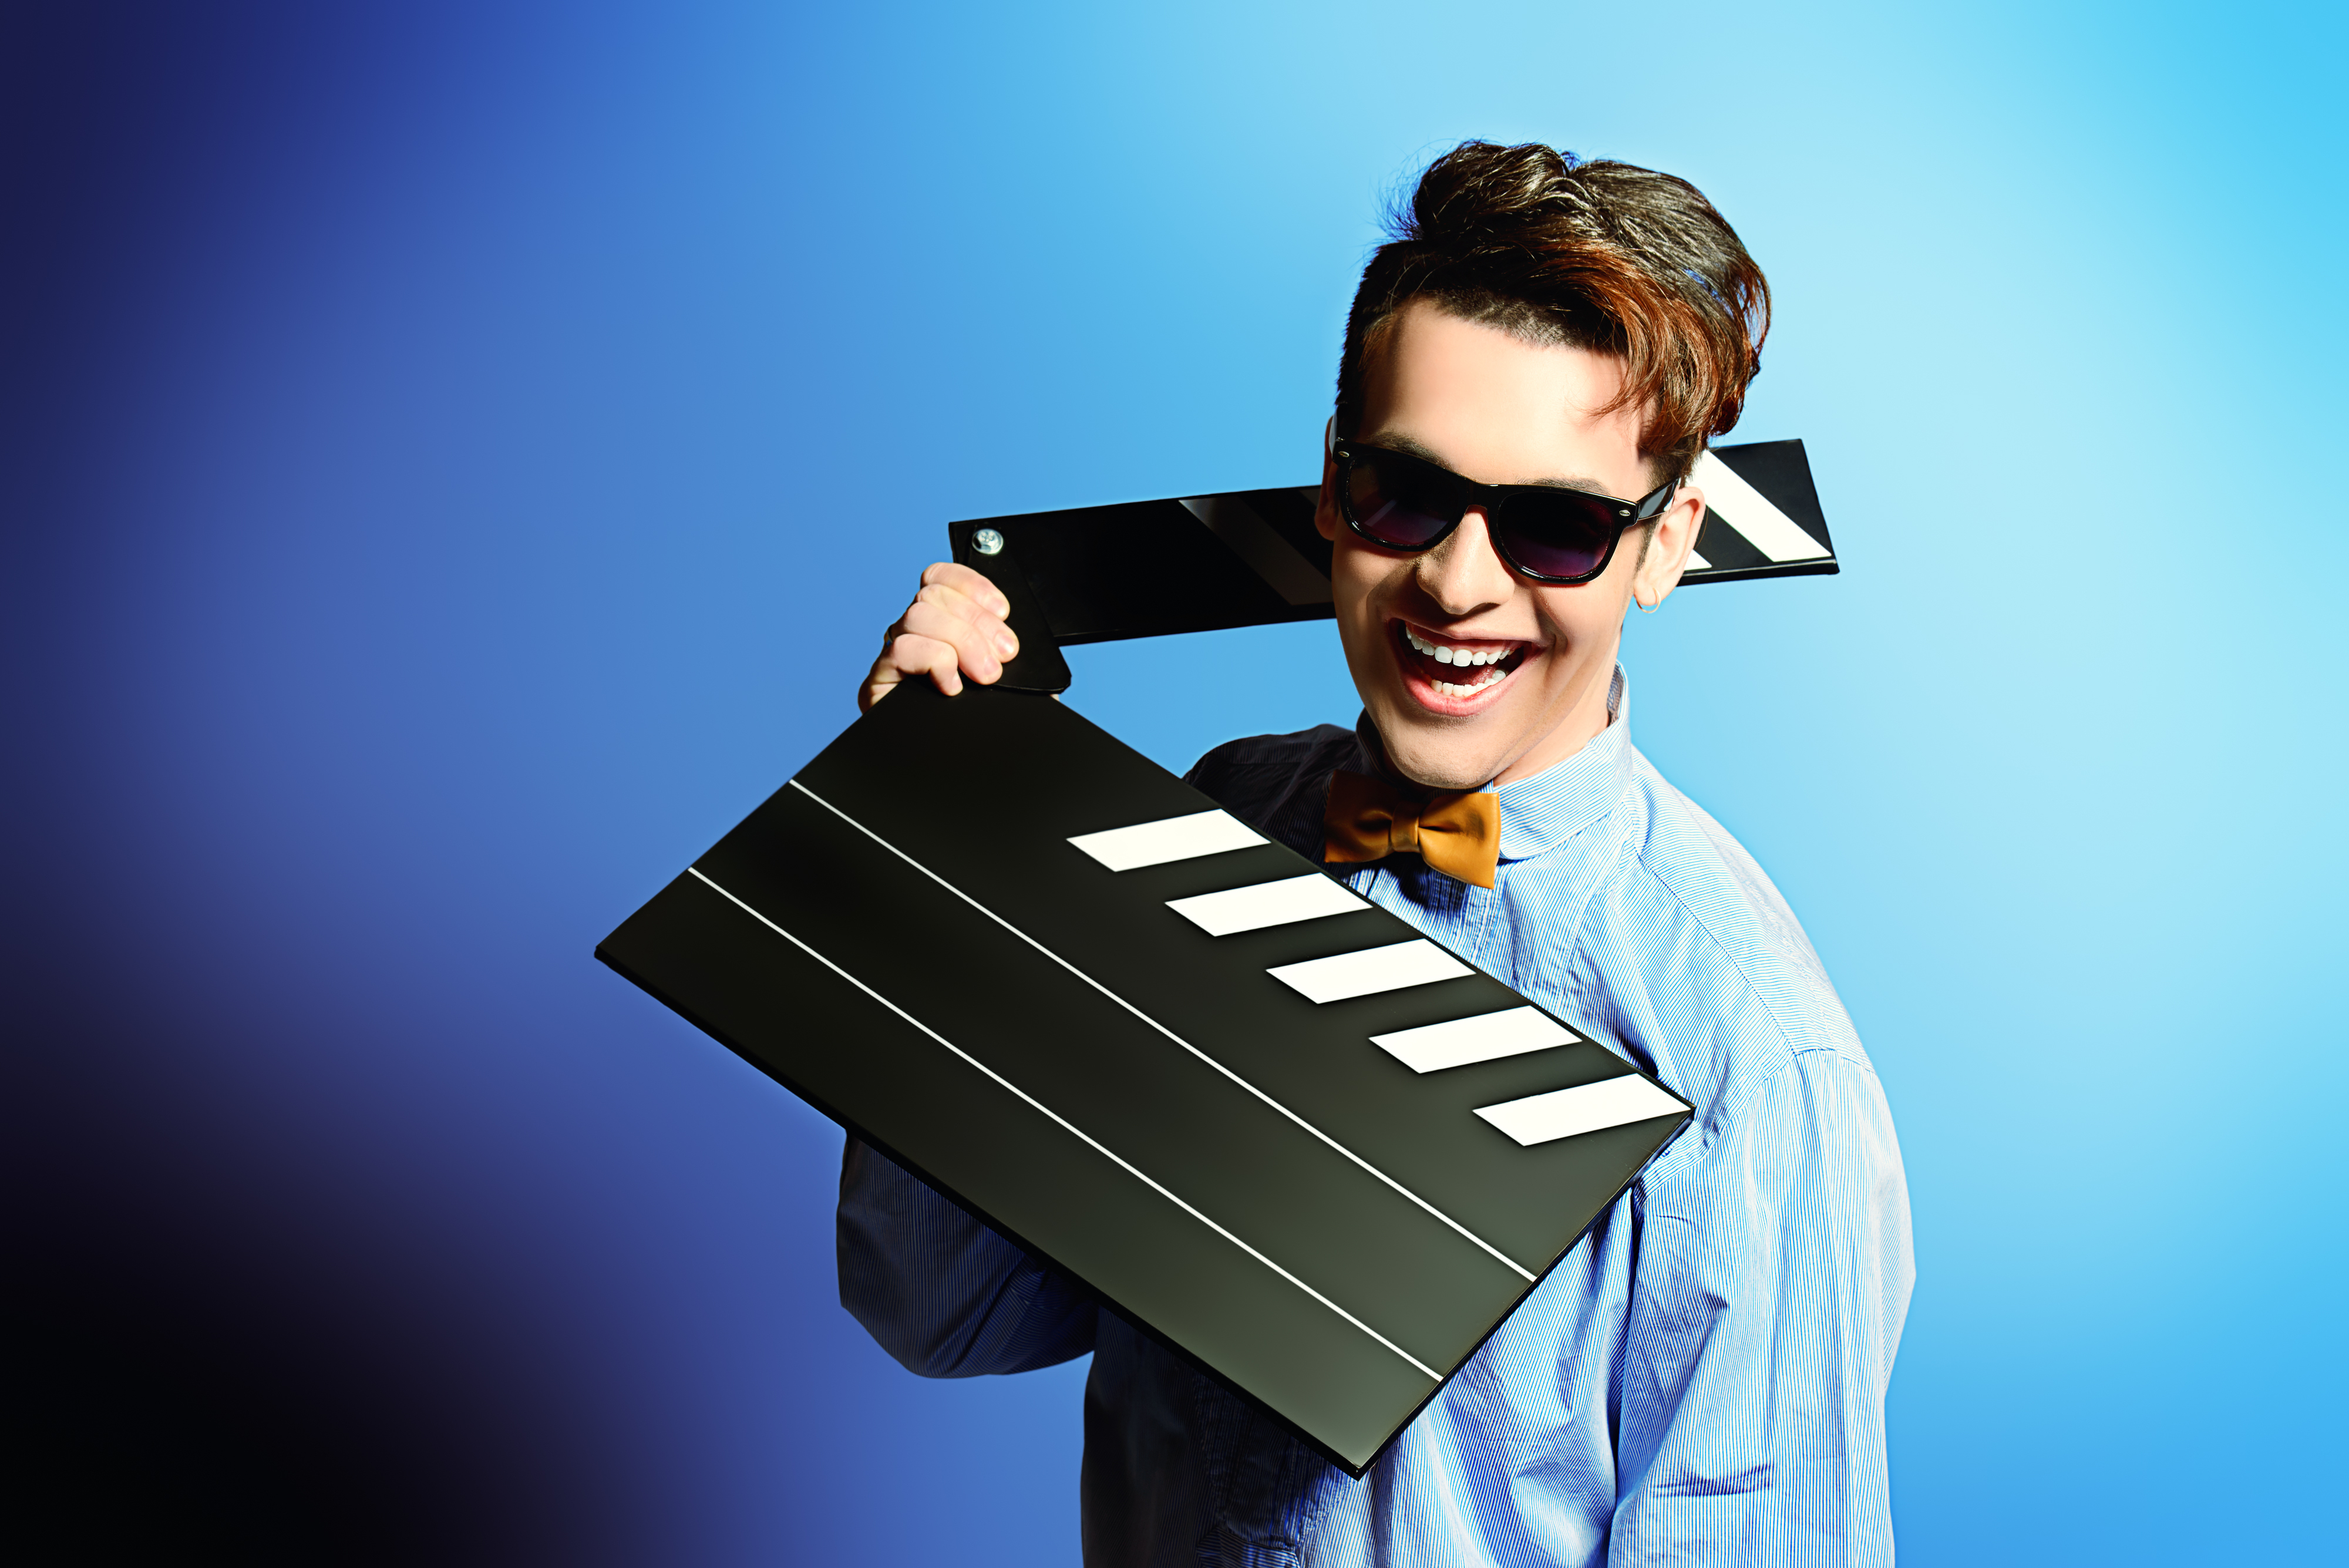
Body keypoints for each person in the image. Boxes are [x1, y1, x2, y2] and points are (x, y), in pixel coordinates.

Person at [840, 140, 1912, 1567]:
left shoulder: (1744, 1067)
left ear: (1665, 547)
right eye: (1405, 494)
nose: (1458, 583)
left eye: (1554, 527)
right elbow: (944, 1307)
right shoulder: (1207, 835)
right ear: (1330, 488)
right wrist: (960, 829)